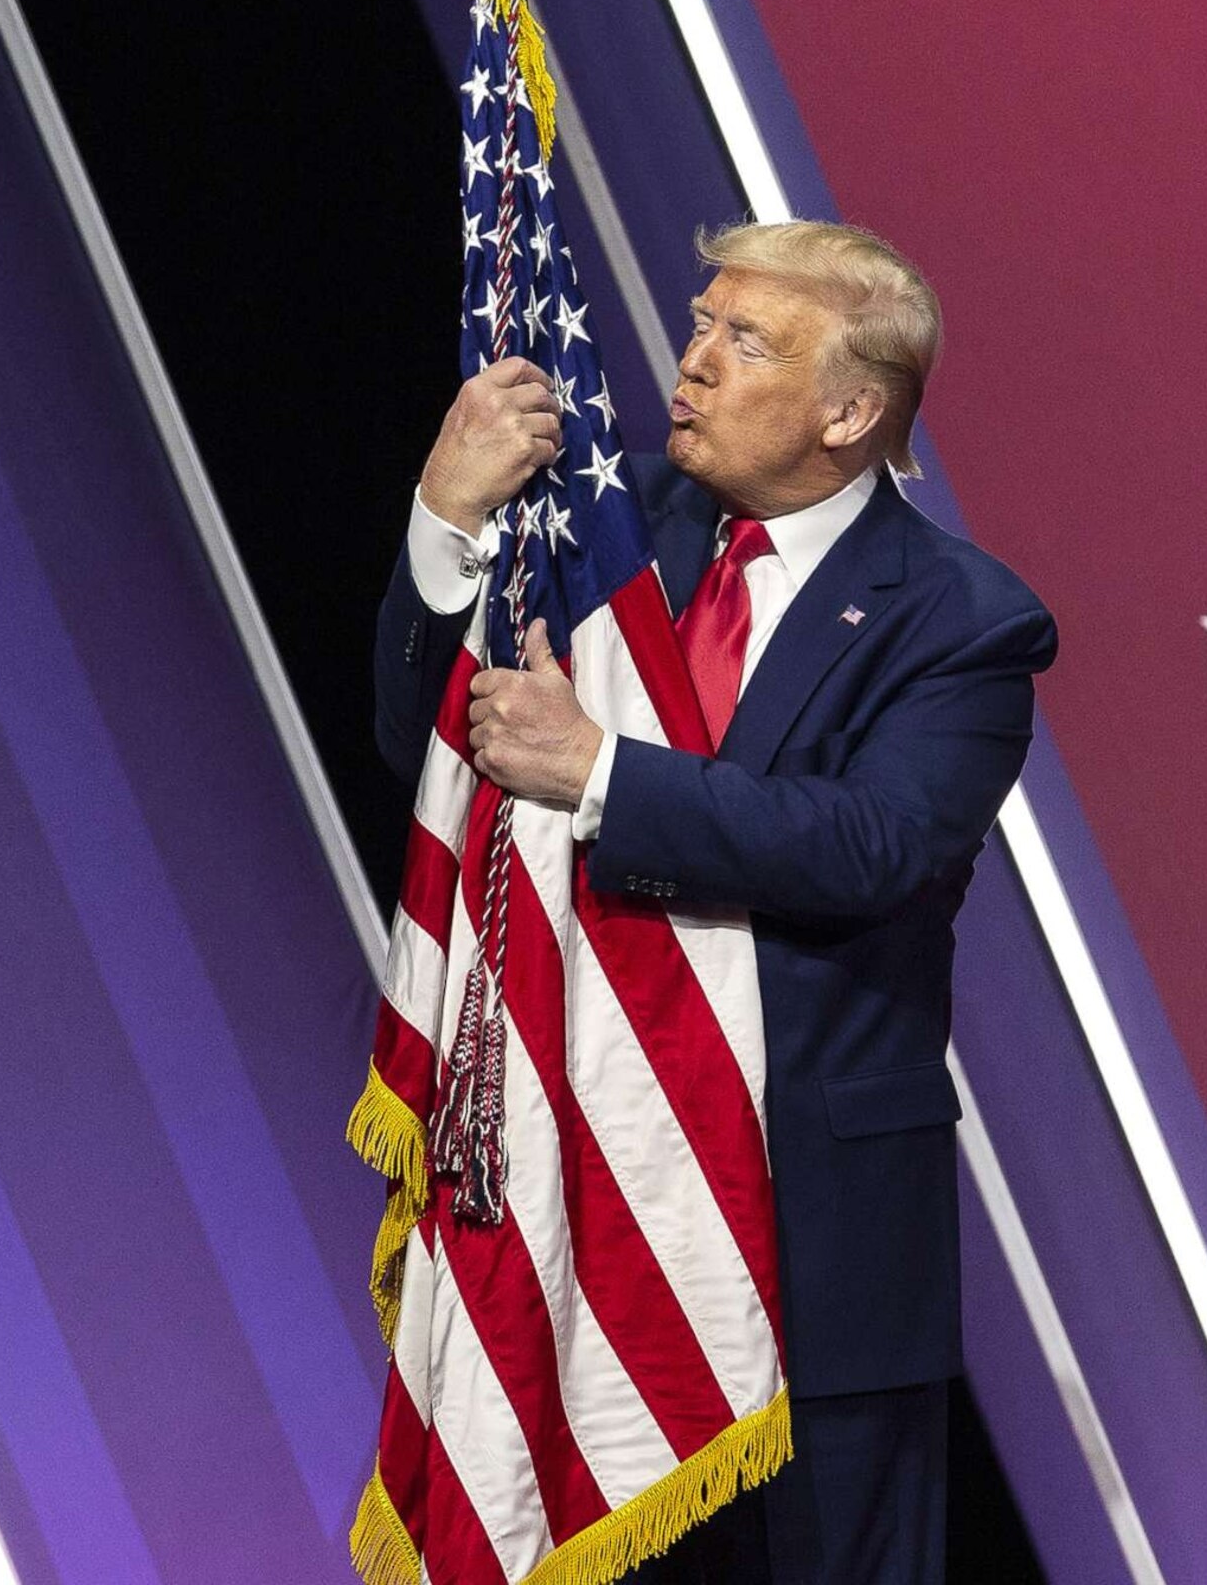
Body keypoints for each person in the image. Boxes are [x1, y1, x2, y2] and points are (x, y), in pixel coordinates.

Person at [371, 219, 1056, 1584]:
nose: (689, 364)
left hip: (819, 1261)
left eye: (744, 344)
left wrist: (603, 772)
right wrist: (447, 525)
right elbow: (429, 750)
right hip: (574, 1225)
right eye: (699, 323)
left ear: (851, 413)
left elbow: (876, 846)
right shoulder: (603, 537)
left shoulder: (962, 622)